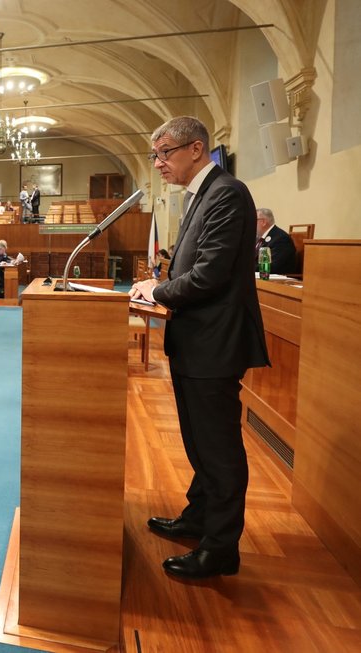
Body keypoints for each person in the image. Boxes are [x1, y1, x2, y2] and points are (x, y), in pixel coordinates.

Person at [131, 116, 269, 580]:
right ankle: (198, 517)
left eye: (164, 152)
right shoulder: (200, 195)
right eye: (155, 155)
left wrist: (158, 292)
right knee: (197, 438)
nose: (159, 163)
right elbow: (191, 264)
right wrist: (161, 283)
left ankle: (220, 548)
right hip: (196, 340)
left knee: (218, 447)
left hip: (215, 341)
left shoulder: (227, 192)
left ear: (196, 149)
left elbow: (210, 274)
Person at [255, 208, 296, 274]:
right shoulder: (258, 239)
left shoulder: (281, 239)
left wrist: (245, 268)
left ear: (263, 222)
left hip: (278, 280)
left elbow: (272, 266)